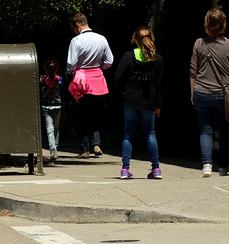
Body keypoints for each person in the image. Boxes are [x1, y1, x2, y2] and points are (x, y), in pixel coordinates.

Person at [110, 26, 163, 179]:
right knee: (150, 134)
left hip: (131, 99)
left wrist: (124, 91)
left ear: (135, 40)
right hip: (149, 101)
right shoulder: (157, 59)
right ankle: (156, 169)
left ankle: (125, 169)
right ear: (151, 38)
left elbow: (117, 78)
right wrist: (158, 104)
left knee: (128, 133)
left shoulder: (128, 56)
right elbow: (158, 84)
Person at [65, 12, 114, 157]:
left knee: (80, 115)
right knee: (96, 114)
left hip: (81, 79)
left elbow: (71, 63)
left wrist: (70, 72)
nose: (73, 31)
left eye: (73, 28)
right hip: (97, 79)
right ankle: (96, 143)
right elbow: (109, 61)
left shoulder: (76, 41)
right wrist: (100, 67)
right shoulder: (102, 39)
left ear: (77, 25)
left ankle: (84, 148)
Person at [192, 7, 229, 177]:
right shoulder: (228, 45)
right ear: (223, 25)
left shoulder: (199, 43)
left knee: (205, 130)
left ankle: (207, 164)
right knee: (224, 130)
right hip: (223, 94)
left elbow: (193, 71)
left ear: (206, 25)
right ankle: (222, 167)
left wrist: (192, 92)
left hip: (201, 91)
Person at [39, 58, 63, 166]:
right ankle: (55, 148)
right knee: (56, 127)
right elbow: (63, 93)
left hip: (46, 106)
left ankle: (53, 150)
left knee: (49, 128)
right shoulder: (60, 79)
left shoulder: (41, 79)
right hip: (57, 106)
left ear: (45, 68)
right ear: (57, 68)